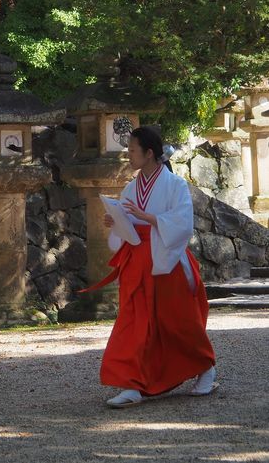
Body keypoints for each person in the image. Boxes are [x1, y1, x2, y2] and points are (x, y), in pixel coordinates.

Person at [99, 125, 217, 408]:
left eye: (132, 150)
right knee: (134, 321)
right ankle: (132, 383)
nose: (128, 155)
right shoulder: (131, 187)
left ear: (149, 153)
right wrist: (114, 222)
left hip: (167, 258)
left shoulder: (174, 185)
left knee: (175, 321)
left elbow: (182, 223)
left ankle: (205, 367)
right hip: (137, 259)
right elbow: (126, 224)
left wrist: (147, 217)